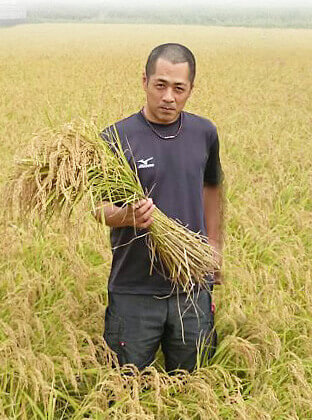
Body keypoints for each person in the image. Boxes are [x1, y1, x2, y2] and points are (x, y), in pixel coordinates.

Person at [93, 43, 225, 374]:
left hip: (191, 286)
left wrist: (215, 245)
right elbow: (99, 208)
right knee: (126, 387)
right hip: (134, 289)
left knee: (192, 382)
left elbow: (212, 187)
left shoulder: (204, 133)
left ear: (191, 89)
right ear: (144, 81)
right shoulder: (116, 138)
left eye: (179, 88)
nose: (169, 97)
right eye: (160, 85)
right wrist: (128, 217)